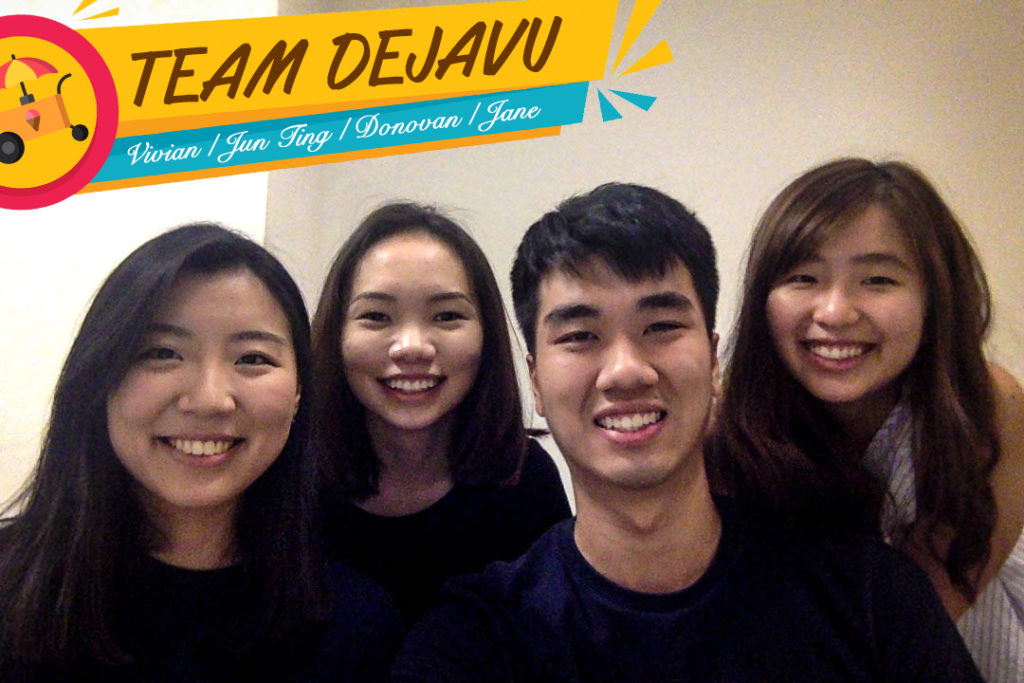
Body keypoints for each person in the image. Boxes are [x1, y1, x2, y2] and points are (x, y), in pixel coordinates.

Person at [390, 182, 983, 681]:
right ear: (536, 381)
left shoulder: (870, 598)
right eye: (580, 336)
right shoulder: (472, 643)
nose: (626, 371)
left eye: (662, 326)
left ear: (714, 360)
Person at [0, 223, 402, 681]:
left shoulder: (356, 625)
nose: (210, 399)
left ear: (298, 394)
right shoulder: (11, 587)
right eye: (163, 353)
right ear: (100, 378)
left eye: (252, 358)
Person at [713, 158, 1024, 681]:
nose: (835, 312)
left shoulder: (984, 408)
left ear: (935, 297)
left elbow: (909, 631)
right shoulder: (731, 434)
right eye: (803, 278)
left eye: (877, 280)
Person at [312, 202, 571, 622]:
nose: (412, 347)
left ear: (486, 334)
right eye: (376, 316)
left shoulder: (525, 480)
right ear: (336, 334)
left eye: (447, 316)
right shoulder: (291, 485)